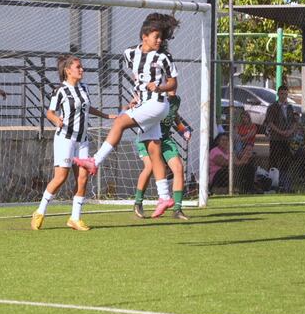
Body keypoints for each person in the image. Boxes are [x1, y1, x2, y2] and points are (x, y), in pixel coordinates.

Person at [74, 16, 178, 221]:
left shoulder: (163, 58)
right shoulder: (129, 54)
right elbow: (137, 78)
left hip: (158, 104)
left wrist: (159, 87)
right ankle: (165, 197)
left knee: (120, 121)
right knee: (154, 149)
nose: (159, 41)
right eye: (156, 37)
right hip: (145, 104)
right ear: (144, 36)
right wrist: (136, 96)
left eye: (161, 38)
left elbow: (173, 84)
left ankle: (95, 161)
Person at [31, 55, 116, 231]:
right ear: (68, 70)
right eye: (78, 67)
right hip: (65, 139)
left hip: (82, 140)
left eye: (81, 67)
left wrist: (106, 116)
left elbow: (87, 108)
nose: (81, 70)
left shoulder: (84, 88)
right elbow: (50, 112)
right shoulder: (60, 90)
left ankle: (75, 218)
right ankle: (40, 211)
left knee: (83, 178)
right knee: (61, 177)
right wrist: (56, 120)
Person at [133, 89, 192, 220]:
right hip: (148, 138)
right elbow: (132, 109)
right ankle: (138, 203)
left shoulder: (176, 100)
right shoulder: (153, 98)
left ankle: (177, 209)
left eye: (174, 84)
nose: (173, 87)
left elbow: (175, 116)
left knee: (178, 168)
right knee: (149, 167)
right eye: (169, 83)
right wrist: (135, 105)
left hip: (165, 139)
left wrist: (183, 130)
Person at [264, 86, 298, 182]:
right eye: (282, 94)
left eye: (286, 94)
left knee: (286, 160)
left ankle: (283, 181)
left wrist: (290, 131)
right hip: (276, 138)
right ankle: (271, 181)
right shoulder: (272, 107)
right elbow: (270, 122)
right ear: (278, 94)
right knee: (274, 160)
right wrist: (281, 132)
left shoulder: (290, 107)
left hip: (287, 139)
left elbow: (294, 121)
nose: (284, 96)